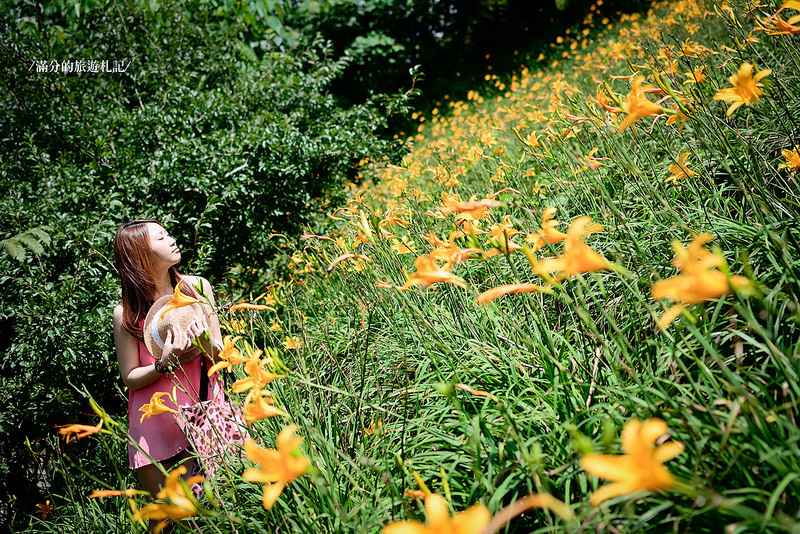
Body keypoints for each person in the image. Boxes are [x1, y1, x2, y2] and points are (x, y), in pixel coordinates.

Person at [112, 219, 223, 523]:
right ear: (141, 255)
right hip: (154, 424)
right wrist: (162, 364)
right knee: (166, 520)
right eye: (161, 237)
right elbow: (129, 376)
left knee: (216, 511)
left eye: (167, 233)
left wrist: (204, 344)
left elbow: (220, 351)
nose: (172, 239)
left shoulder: (197, 286)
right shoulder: (125, 312)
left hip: (205, 413)